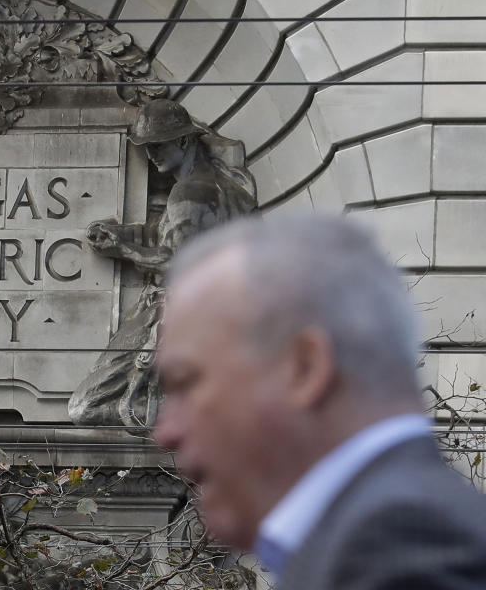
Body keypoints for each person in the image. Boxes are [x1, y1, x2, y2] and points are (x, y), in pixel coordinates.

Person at [153, 215, 486, 589]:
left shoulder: (397, 551)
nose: (166, 431)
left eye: (186, 382)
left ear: (304, 368)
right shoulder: (384, 539)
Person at [68, 99, 256, 430]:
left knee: (84, 406)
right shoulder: (221, 187)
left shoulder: (189, 193)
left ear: (184, 141)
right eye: (145, 147)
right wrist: (125, 233)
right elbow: (174, 232)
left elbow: (175, 261)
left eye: (157, 145)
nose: (150, 154)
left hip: (174, 314)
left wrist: (122, 247)